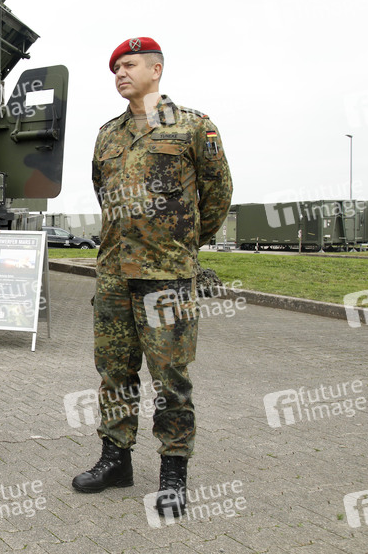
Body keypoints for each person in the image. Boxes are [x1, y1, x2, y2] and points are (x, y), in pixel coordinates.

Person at [71, 38, 233, 518]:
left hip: (167, 275)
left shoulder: (193, 126)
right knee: (114, 373)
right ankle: (115, 460)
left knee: (170, 377)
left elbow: (217, 193)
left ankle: (173, 472)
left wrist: (183, 243)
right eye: (115, 68)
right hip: (115, 273)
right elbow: (104, 193)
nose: (120, 73)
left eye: (129, 64)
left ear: (156, 69)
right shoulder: (108, 134)